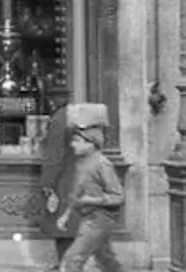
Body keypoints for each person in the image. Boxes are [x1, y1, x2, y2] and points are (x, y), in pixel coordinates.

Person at [57, 125, 125, 272]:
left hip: (99, 219)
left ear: (91, 144)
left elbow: (118, 196)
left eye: (77, 140)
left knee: (71, 261)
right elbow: (77, 194)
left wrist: (92, 200)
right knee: (107, 261)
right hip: (88, 217)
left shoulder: (102, 164)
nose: (72, 144)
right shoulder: (82, 163)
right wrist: (66, 215)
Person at [39, 86, 77, 270]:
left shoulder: (59, 120)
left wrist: (47, 183)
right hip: (79, 177)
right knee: (72, 225)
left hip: (63, 179)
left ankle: (65, 265)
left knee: (61, 226)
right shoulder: (77, 118)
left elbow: (54, 155)